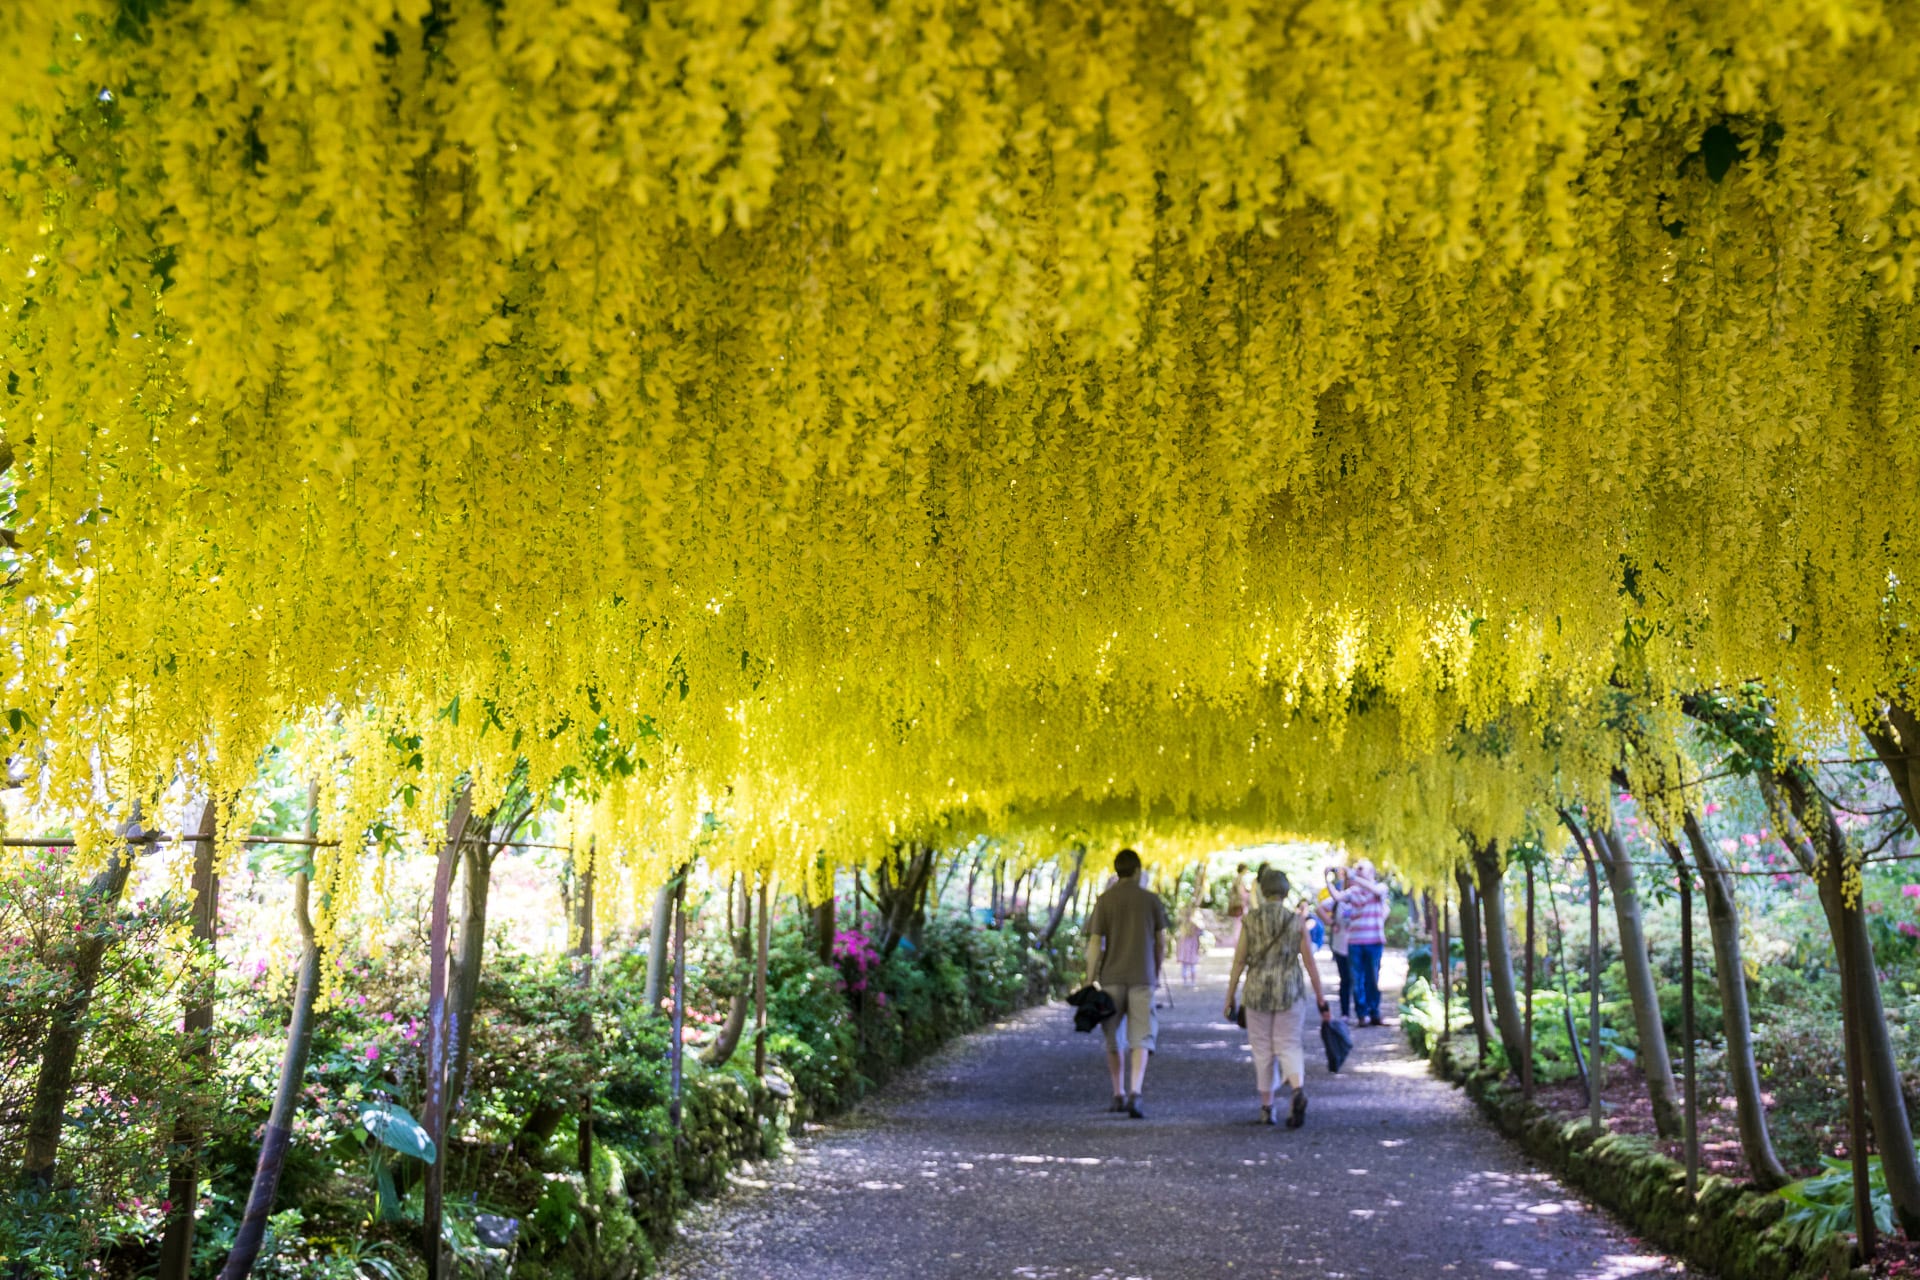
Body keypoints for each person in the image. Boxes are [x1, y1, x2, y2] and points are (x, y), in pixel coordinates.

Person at [1223, 868, 1331, 1127]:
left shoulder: (1251, 920)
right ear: (1286, 892)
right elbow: (1309, 962)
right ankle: (1297, 1089)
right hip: (1289, 990)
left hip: (1257, 990)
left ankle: (1267, 1107)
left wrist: (1230, 996)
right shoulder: (1295, 921)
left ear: (1263, 891)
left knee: (1262, 1048)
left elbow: (1239, 961)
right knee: (1289, 1044)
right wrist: (1321, 999)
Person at [1085, 847, 1169, 1119]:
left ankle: (1118, 1092)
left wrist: (1089, 979)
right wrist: (1156, 969)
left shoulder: (1104, 900)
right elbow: (1161, 942)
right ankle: (1136, 1091)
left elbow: (1095, 944)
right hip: (1142, 976)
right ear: (1137, 871)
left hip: (1110, 978)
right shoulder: (1151, 900)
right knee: (1141, 1036)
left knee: (1113, 1038)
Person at [1338, 859, 1389, 1026]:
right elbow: (1337, 897)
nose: (1358, 871)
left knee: (1372, 978)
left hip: (1374, 941)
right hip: (1355, 942)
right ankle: (1362, 1014)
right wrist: (1327, 879)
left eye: (1361, 869)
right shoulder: (1353, 892)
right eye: (1356, 869)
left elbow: (1376, 891)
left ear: (1371, 872)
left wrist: (1354, 877)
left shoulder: (1380, 888)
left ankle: (1374, 1012)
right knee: (1357, 979)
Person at [1315, 865, 1354, 1019]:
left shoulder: (1360, 898)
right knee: (1345, 979)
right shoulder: (1338, 900)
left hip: (1357, 945)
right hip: (1341, 946)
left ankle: (1362, 1011)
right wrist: (1331, 923)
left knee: (1358, 979)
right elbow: (1319, 909)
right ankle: (1346, 1012)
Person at [1174, 900, 1204, 988]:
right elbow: (1200, 933)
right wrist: (1198, 947)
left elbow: (1178, 938)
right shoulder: (1194, 925)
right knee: (1192, 966)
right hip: (1192, 947)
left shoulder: (1182, 925)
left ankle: (1185, 981)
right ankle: (1192, 982)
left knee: (1184, 966)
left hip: (1184, 947)